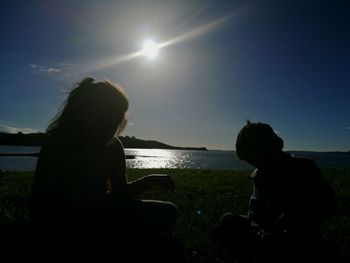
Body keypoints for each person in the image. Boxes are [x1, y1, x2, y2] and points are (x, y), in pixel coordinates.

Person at [29, 77, 183, 261]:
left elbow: (119, 193)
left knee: (168, 212)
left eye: (116, 121)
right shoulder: (57, 145)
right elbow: (39, 203)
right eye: (105, 119)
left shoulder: (114, 147)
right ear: (85, 113)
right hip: (63, 224)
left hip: (103, 215)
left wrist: (149, 181)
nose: (111, 128)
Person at [211, 121, 337, 263]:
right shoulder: (259, 175)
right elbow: (255, 210)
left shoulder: (304, 168)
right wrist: (257, 226)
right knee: (228, 219)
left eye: (260, 158)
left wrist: (289, 220)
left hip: (296, 236)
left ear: (277, 146)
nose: (259, 166)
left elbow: (329, 205)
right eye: (253, 162)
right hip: (266, 230)